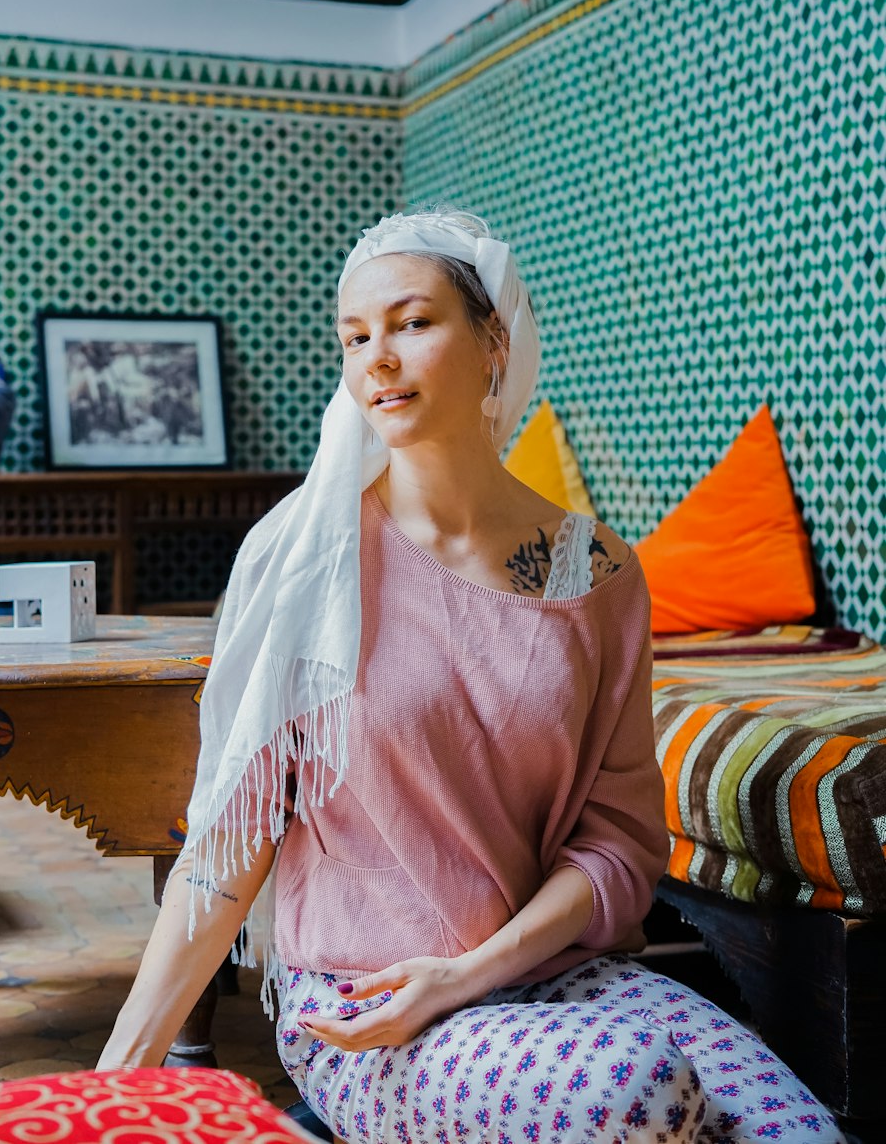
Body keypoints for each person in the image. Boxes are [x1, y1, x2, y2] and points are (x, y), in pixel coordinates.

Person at [99, 208, 843, 1143]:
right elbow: (226, 849)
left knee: (799, 1135)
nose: (376, 358)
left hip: (558, 975)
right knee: (641, 1089)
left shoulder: (599, 572)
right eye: (355, 336)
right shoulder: (301, 561)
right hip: (361, 1007)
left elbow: (616, 843)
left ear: (494, 340)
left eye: (411, 323)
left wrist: (473, 970)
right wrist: (112, 1085)